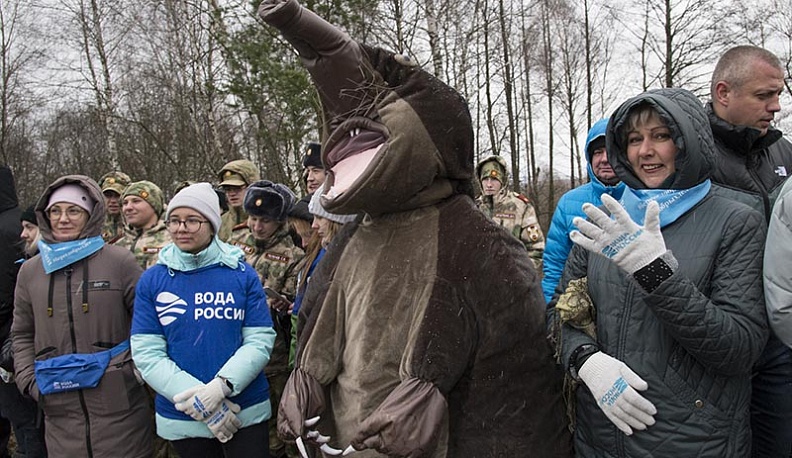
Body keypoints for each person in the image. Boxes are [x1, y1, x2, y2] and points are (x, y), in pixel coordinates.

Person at [260, 1, 572, 456]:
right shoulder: (351, 237)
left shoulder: (481, 244)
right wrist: (304, 378)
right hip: (346, 441)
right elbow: (319, 321)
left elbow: (517, 363)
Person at [550, 88, 767, 456]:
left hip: (692, 441)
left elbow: (739, 348)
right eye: (633, 139)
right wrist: (585, 359)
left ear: (689, 142)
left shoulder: (737, 220)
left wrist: (656, 274)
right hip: (600, 434)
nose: (644, 151)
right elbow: (558, 312)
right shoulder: (608, 218)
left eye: (661, 136)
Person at [130, 183, 276, 458]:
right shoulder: (153, 280)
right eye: (174, 220)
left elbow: (259, 340)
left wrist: (221, 387)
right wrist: (200, 400)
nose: (181, 228)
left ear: (211, 224)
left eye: (192, 220)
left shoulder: (241, 274)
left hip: (244, 409)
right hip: (184, 416)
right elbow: (147, 353)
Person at [12, 175, 152, 457]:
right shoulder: (31, 271)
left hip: (119, 407)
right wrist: (29, 380)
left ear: (91, 214)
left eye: (73, 210)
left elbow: (147, 325)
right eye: (55, 211)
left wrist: (131, 372)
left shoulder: (119, 261)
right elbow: (22, 333)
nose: (63, 219)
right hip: (58, 404)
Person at [707, 45, 792, 457]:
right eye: (764, 96)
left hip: (779, 345)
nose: (775, 107)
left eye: (778, 95)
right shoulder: (690, 155)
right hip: (715, 343)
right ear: (724, 93)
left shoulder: (784, 153)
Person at [227, 181, 304, 458]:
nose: (257, 226)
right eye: (253, 219)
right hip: (234, 350)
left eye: (265, 221)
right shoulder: (233, 245)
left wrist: (281, 302)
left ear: (280, 220)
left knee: (281, 423)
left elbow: (296, 303)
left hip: (275, 356)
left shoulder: (294, 255)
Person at [542, 118, 625, 303]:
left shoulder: (643, 198)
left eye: (610, 151)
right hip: (580, 310)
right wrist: (550, 315)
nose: (604, 159)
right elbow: (555, 266)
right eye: (597, 152)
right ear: (589, 158)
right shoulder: (568, 203)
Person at [0, 167, 46, 458]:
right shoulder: (21, 222)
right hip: (23, 336)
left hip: (12, 337)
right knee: (27, 419)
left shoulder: (16, 227)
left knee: (20, 417)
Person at [475, 155, 545, 270]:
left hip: (512, 282)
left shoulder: (521, 207)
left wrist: (520, 276)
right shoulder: (474, 207)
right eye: (485, 179)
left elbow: (536, 250)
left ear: (502, 181)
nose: (489, 184)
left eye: (494, 179)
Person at [114, 180, 171, 269]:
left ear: (154, 205)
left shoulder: (174, 241)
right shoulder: (118, 246)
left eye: (136, 201)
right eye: (125, 203)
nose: (128, 207)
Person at [217, 160, 261, 242]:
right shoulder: (220, 222)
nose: (232, 193)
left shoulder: (265, 221)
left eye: (238, 188)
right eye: (227, 189)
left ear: (253, 188)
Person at [98, 171, 131, 243]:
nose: (113, 201)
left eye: (117, 196)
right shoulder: (94, 223)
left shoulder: (136, 221)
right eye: (108, 196)